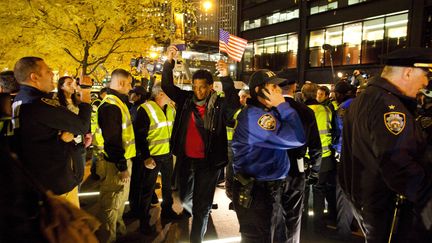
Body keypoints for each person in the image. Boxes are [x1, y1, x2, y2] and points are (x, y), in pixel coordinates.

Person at [339, 47, 432, 242]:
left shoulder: (363, 100)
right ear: (408, 72)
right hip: (387, 209)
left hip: (367, 202)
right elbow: (398, 164)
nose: (426, 82)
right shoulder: (389, 109)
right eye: (426, 75)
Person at [161, 45, 241, 243]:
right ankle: (193, 212)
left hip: (209, 163)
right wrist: (169, 63)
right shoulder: (186, 100)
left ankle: (196, 238)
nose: (198, 91)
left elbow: (233, 108)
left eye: (202, 87)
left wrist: (226, 78)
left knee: (201, 206)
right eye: (195, 87)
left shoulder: (220, 104)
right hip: (186, 160)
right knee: (184, 198)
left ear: (210, 86)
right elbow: (167, 87)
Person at [232, 69, 305, 242]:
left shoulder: (266, 112)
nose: (279, 90)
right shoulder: (256, 117)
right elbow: (297, 137)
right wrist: (283, 105)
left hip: (268, 190)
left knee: (274, 235)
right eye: (273, 86)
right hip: (258, 193)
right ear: (259, 90)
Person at [12, 56, 92, 207]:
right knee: (71, 228)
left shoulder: (19, 98)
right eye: (48, 71)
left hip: (38, 180)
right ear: (34, 77)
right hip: (57, 183)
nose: (52, 75)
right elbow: (81, 126)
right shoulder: (39, 104)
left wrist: (61, 140)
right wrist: (86, 93)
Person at [276, 74, 322, 243]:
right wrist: (315, 172)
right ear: (294, 87)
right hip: (296, 167)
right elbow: (316, 146)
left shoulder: (270, 109)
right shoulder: (306, 111)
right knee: (293, 216)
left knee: (274, 215)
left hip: (273, 167)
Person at [94, 69, 135, 243]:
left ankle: (116, 230)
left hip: (120, 161)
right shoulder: (112, 106)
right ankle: (108, 237)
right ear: (121, 83)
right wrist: (122, 166)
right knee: (110, 205)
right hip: (114, 164)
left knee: (117, 201)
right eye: (129, 83)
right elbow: (112, 140)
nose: (131, 87)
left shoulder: (117, 103)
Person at [133, 82, 180, 234]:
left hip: (167, 155)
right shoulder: (145, 109)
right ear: (160, 94)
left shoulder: (171, 109)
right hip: (151, 157)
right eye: (168, 93)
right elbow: (139, 136)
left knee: (167, 187)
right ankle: (144, 221)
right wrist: (146, 157)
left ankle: (167, 210)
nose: (171, 96)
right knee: (147, 190)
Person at [301, 82, 337, 232]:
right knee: (319, 190)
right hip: (325, 156)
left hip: (306, 157)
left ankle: (301, 224)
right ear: (316, 94)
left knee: (303, 192)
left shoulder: (302, 111)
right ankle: (319, 225)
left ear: (303, 95)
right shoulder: (327, 110)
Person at [57, 76, 91, 186]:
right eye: (68, 84)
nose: (73, 86)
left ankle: (77, 199)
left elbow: (85, 119)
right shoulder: (57, 103)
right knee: (71, 175)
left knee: (80, 173)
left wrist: (88, 133)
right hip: (68, 144)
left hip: (81, 142)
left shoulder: (78, 101)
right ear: (61, 87)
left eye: (73, 83)